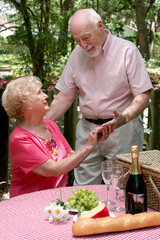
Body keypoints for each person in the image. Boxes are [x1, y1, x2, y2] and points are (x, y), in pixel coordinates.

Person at [45, 8, 153, 186]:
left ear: (100, 26)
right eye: (77, 40)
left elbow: (142, 96)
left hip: (122, 130)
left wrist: (122, 118)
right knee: (82, 188)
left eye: (86, 37)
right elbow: (65, 96)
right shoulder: (76, 55)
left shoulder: (127, 51)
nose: (83, 45)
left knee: (121, 187)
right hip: (87, 130)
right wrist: (42, 123)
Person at [2, 75, 108, 198]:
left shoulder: (50, 125)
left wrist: (95, 139)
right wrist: (89, 146)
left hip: (55, 200)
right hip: (29, 201)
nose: (45, 95)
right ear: (26, 104)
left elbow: (72, 159)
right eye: (39, 93)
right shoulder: (20, 139)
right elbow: (54, 169)